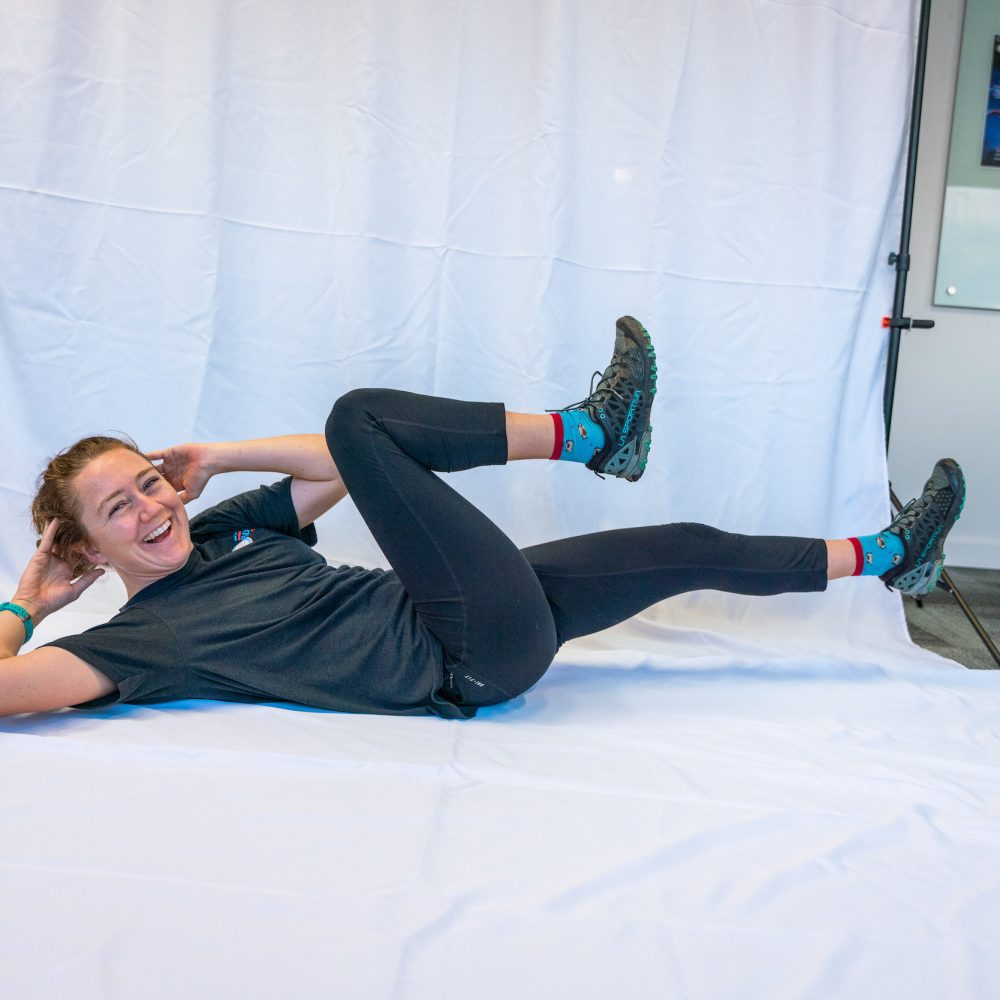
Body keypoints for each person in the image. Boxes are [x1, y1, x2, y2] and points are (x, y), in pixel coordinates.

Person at [0, 317, 966, 719]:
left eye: (152, 482)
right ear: (86, 546)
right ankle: (591, 434)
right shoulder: (136, 643)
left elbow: (344, 470)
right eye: (119, 508)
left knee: (684, 548)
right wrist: (27, 603)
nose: (153, 508)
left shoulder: (227, 526)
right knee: (358, 412)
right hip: (459, 653)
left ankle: (891, 556)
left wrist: (218, 459)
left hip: (475, 612)